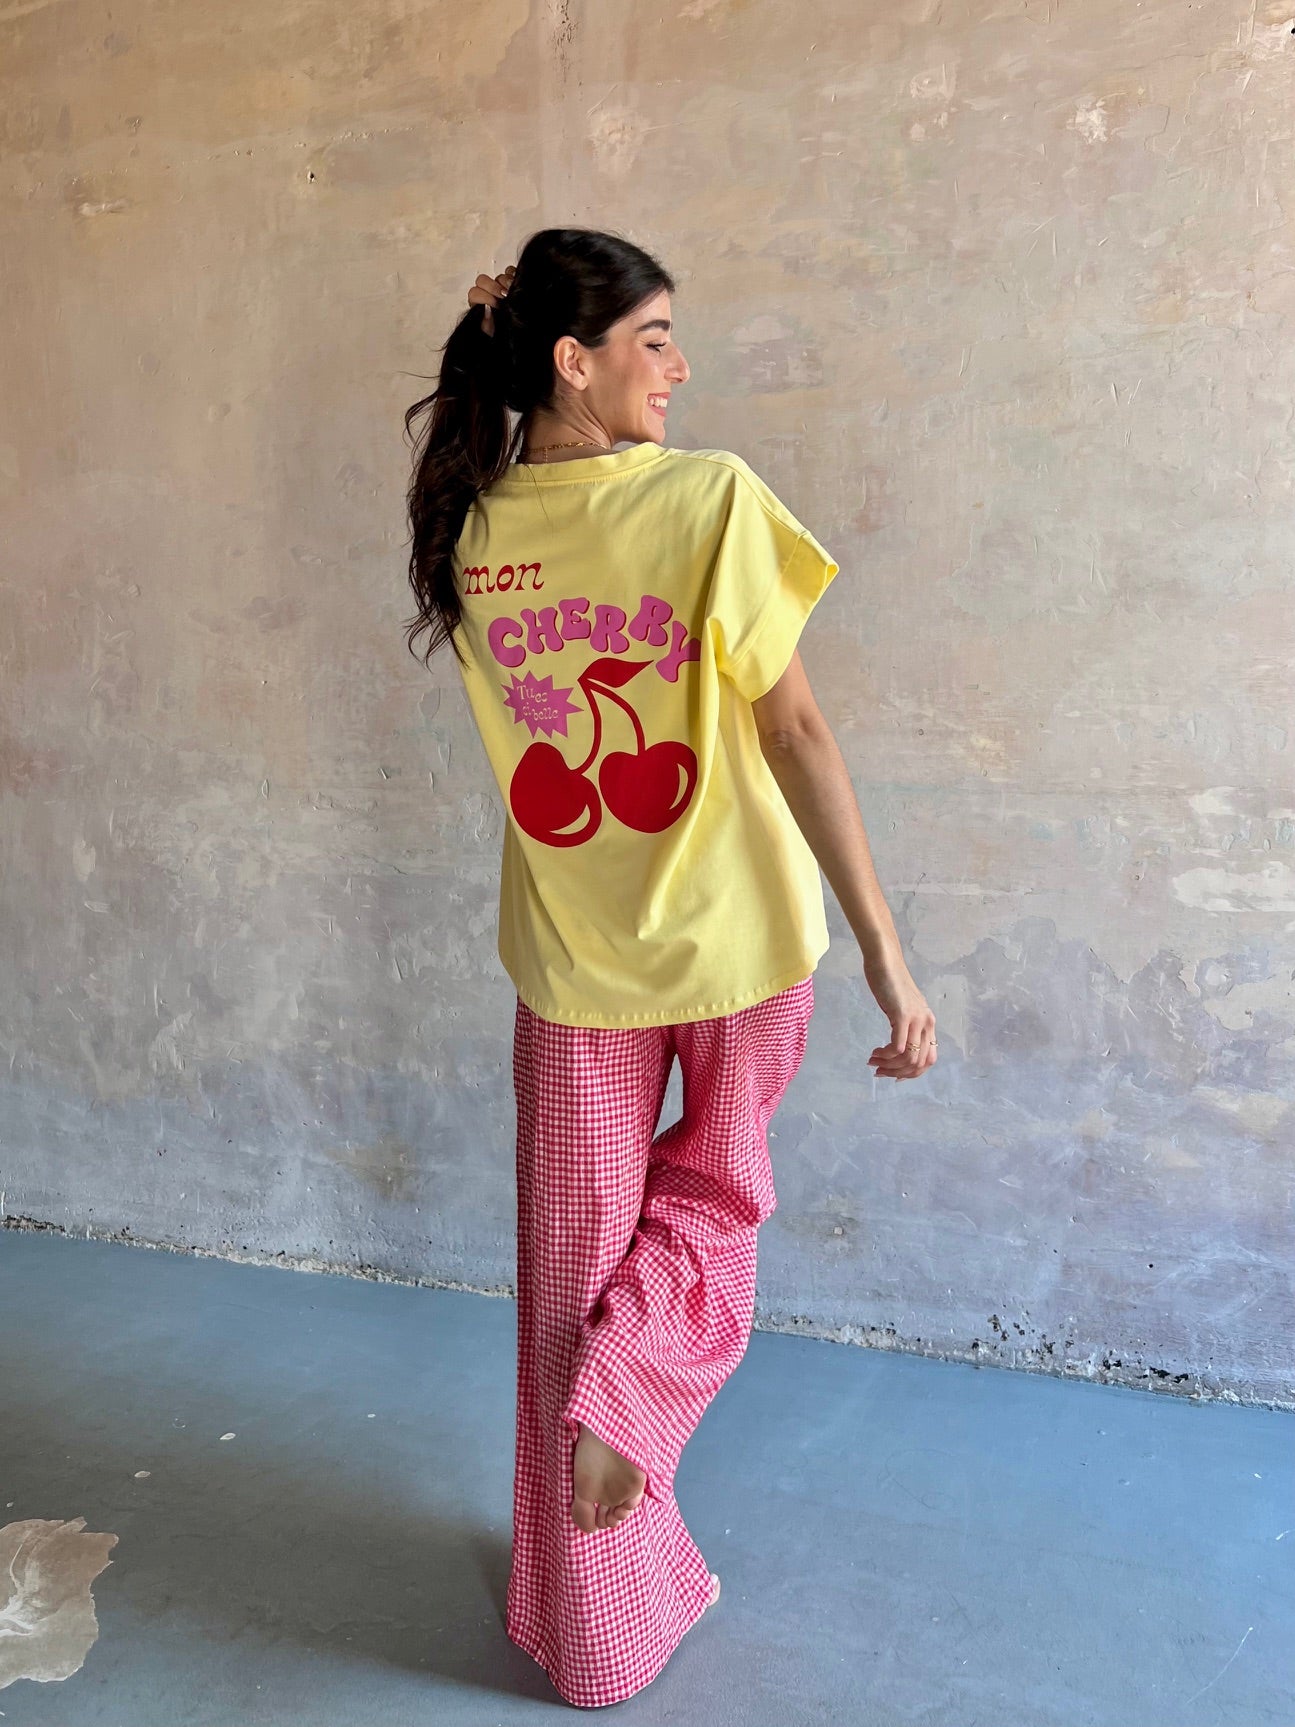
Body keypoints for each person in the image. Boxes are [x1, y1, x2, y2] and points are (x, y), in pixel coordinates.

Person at [402, 227, 936, 1709]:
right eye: (655, 339)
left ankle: (593, 1640)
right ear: (573, 360)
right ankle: (630, 1398)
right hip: (743, 942)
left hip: (574, 960)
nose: (680, 368)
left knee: (569, 1274)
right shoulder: (709, 499)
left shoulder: (470, 527)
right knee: (714, 1195)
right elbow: (797, 732)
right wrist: (887, 950)